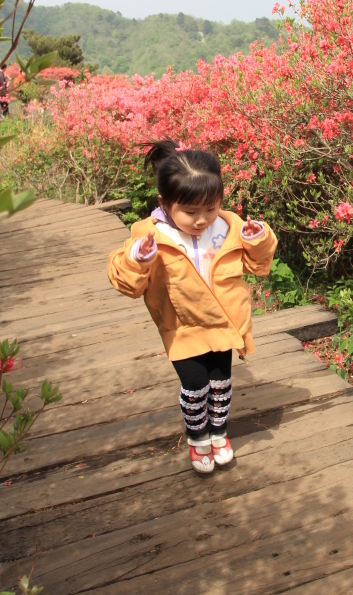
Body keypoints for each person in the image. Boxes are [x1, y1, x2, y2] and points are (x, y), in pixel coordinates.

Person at [108, 142, 277, 475]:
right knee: (195, 386)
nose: (202, 220)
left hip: (224, 323)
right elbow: (126, 284)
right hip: (182, 328)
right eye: (190, 212)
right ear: (166, 204)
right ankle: (198, 438)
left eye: (211, 209)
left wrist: (259, 240)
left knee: (221, 384)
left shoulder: (229, 228)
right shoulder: (151, 236)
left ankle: (218, 434)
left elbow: (259, 266)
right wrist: (137, 260)